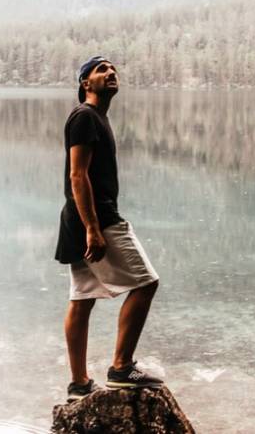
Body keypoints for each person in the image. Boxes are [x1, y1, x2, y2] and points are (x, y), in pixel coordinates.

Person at [54, 55, 162, 403]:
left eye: (114, 68)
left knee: (82, 299)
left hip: (78, 219)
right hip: (97, 219)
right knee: (146, 283)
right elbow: (77, 174)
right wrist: (93, 229)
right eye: (101, 70)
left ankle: (79, 384)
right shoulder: (85, 117)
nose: (111, 73)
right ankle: (121, 368)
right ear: (86, 83)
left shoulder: (95, 117)